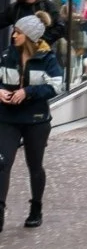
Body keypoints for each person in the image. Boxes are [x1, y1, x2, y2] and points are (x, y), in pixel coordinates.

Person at [0, 12, 59, 230]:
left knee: (34, 166)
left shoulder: (48, 59)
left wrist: (28, 92)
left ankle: (36, 208)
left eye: (18, 32)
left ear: (29, 36)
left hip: (36, 120)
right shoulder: (7, 55)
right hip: (7, 117)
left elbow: (56, 86)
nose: (13, 35)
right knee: (1, 162)